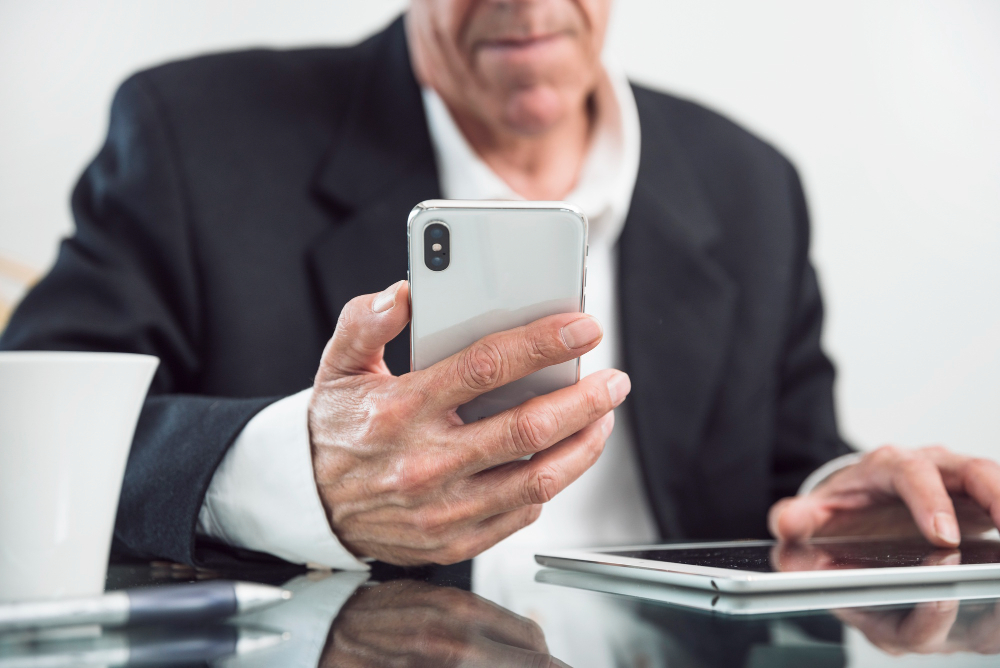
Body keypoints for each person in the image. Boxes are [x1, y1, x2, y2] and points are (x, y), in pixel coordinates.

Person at [2, 0, 998, 585]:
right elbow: (27, 435)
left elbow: (789, 457)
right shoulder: (194, 134)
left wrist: (843, 499)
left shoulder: (747, 181)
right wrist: (295, 473)